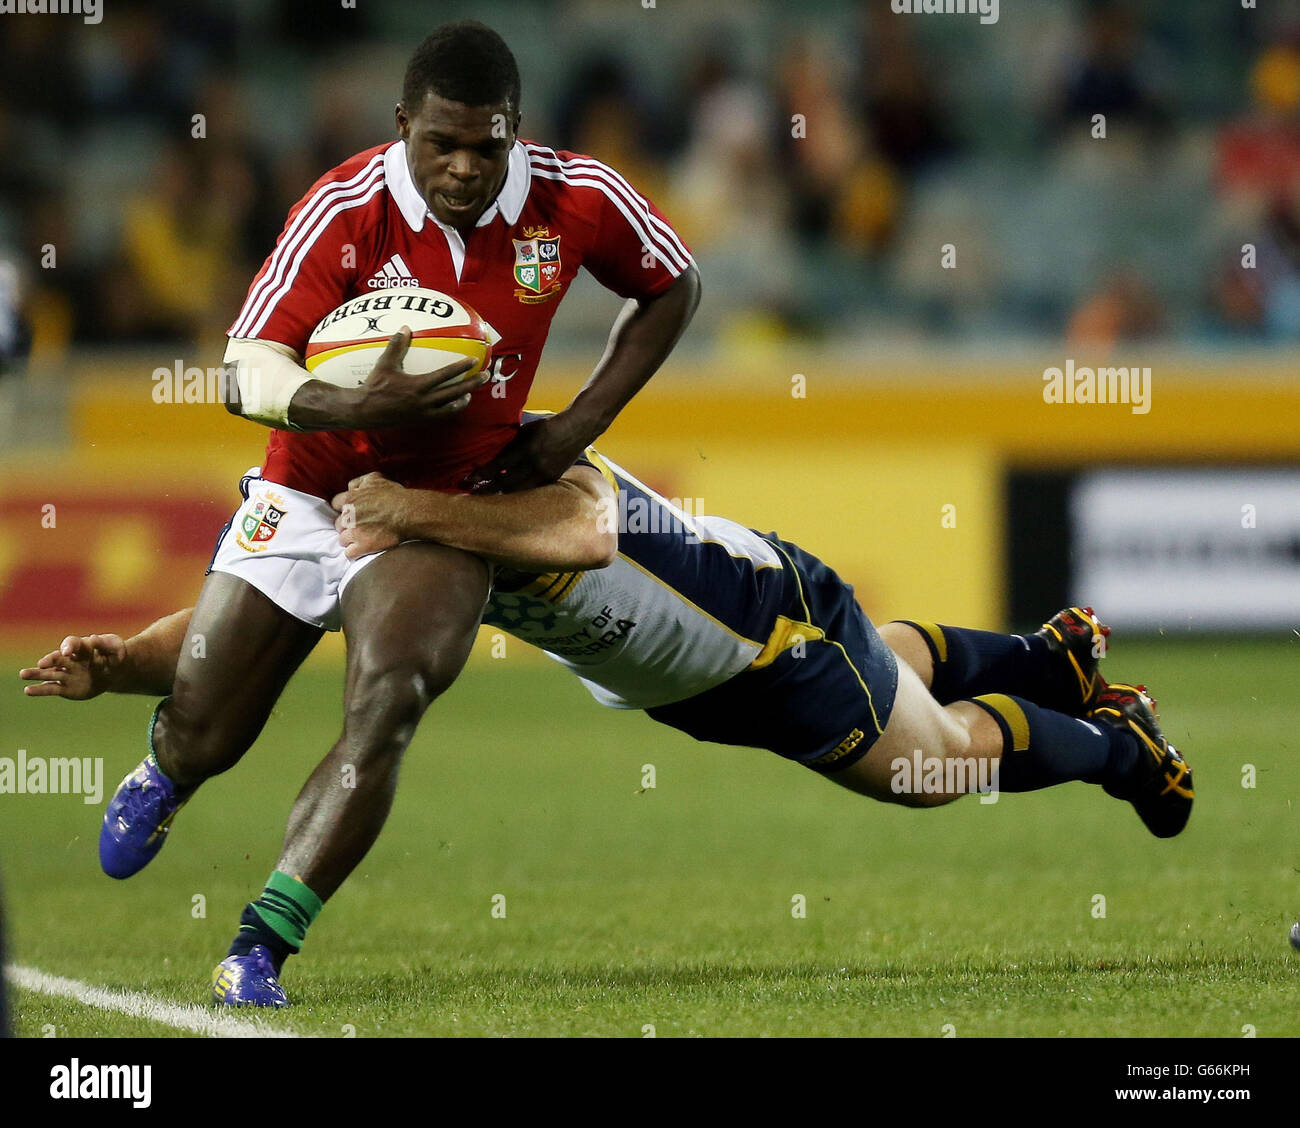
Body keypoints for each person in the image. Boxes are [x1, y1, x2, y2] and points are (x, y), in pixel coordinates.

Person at [21, 426, 1194, 1006]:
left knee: (926, 765)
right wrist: (124, 659)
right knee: (887, 671)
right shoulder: (384, 503)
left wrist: (412, 509)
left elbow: (584, 532)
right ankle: (1047, 656)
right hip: (704, 667)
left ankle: (1116, 749)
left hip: (760, 642)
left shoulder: (526, 458)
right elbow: (265, 620)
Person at [88, 21, 699, 1005]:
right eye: (440, 144)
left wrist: (576, 424)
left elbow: (675, 283)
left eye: (486, 147)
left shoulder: (577, 197)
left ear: (516, 133)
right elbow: (245, 371)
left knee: (392, 693)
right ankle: (168, 768)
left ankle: (260, 944)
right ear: (402, 124)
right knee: (209, 727)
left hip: (445, 503)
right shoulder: (343, 210)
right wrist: (358, 405)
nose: (463, 168)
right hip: (308, 486)